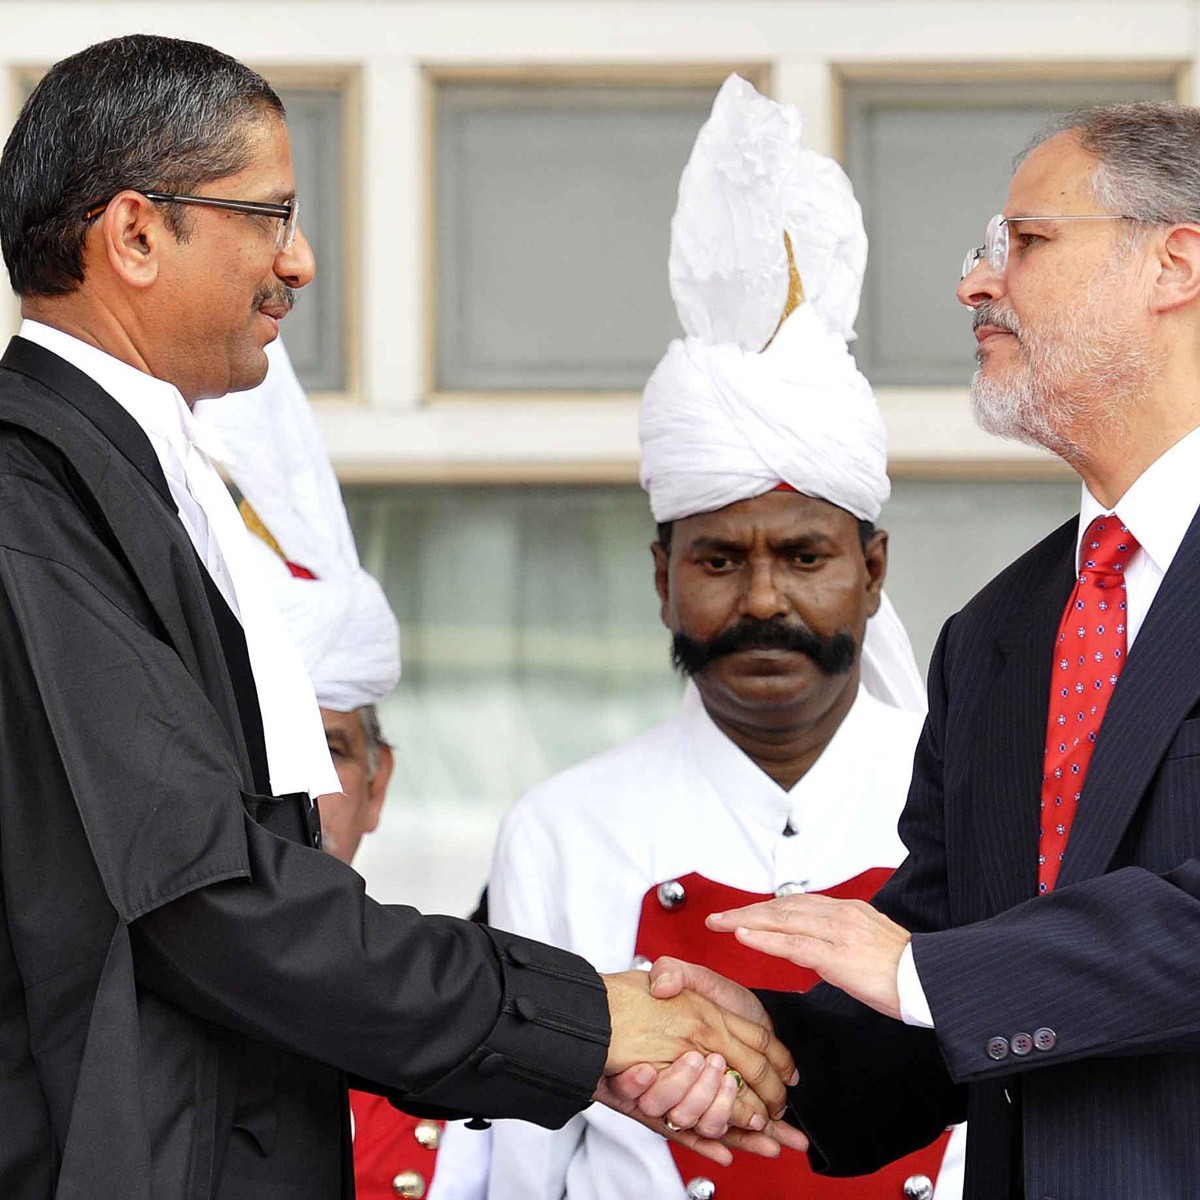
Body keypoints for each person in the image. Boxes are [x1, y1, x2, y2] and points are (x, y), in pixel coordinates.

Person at [0, 35, 802, 1200]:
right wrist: (586, 1022)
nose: (303, 260)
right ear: (133, 235)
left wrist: (584, 1036)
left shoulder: (131, 480)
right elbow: (206, 899)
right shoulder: (35, 505)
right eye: (268, 216)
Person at [649, 100, 1200, 1199]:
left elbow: (936, 968)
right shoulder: (998, 631)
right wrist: (754, 1047)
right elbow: (946, 950)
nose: (975, 286)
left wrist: (924, 971)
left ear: (1175, 262)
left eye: (1026, 244)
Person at [434, 75, 962, 1200]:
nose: (762, 599)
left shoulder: (976, 806)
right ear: (662, 579)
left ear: (873, 571)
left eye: (805, 557)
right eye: (719, 560)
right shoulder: (563, 831)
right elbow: (518, 1164)